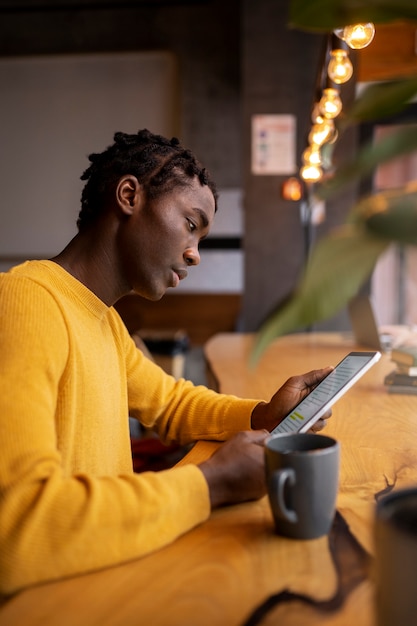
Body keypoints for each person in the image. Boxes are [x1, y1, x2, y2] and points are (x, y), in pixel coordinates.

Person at [0, 129, 332, 597]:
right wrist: (211, 483)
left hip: (103, 573)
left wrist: (263, 415)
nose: (195, 253)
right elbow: (21, 523)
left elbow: (172, 404)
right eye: (191, 224)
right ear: (129, 195)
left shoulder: (106, 323)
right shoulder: (26, 301)